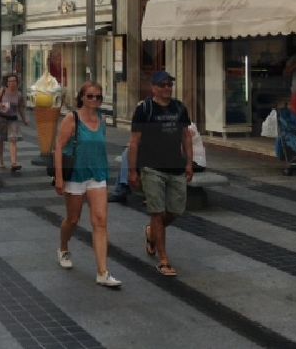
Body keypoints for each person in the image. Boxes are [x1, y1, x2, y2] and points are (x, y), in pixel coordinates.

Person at [53, 81, 121, 288]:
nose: (94, 100)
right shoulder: (72, 118)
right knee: (73, 219)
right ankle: (63, 247)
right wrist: (59, 177)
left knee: (100, 221)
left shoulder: (102, 119)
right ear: (82, 97)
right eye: (90, 96)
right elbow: (59, 147)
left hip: (97, 175)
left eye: (98, 97)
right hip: (75, 175)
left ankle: (102, 272)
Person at [128, 71, 193, 277]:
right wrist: (132, 170)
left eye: (169, 85)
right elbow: (134, 142)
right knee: (156, 212)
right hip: (151, 167)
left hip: (175, 166)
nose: (167, 88)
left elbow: (186, 136)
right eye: (162, 85)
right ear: (153, 88)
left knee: (175, 211)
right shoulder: (144, 109)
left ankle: (151, 232)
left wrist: (189, 163)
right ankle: (163, 260)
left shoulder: (179, 108)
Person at [0, 74, 28, 171]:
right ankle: (0, 160)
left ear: (17, 82)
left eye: (14, 81)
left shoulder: (19, 94)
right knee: (0, 140)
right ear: (7, 83)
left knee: (13, 139)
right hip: (1, 118)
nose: (12, 83)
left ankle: (14, 163)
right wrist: (0, 104)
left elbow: (20, 108)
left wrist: (24, 119)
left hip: (13, 119)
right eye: (10, 81)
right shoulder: (2, 91)